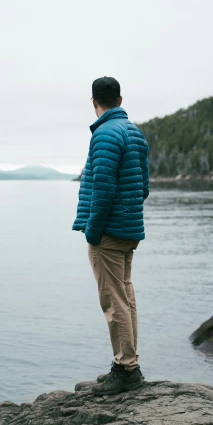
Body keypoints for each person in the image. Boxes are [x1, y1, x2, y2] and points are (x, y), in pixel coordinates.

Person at [73, 76, 150, 394]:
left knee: (113, 299)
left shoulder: (104, 134)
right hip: (128, 229)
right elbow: (143, 186)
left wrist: (93, 230)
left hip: (108, 232)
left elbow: (103, 187)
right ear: (120, 99)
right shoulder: (134, 132)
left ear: (94, 102)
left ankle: (127, 370)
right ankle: (126, 364)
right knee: (126, 297)